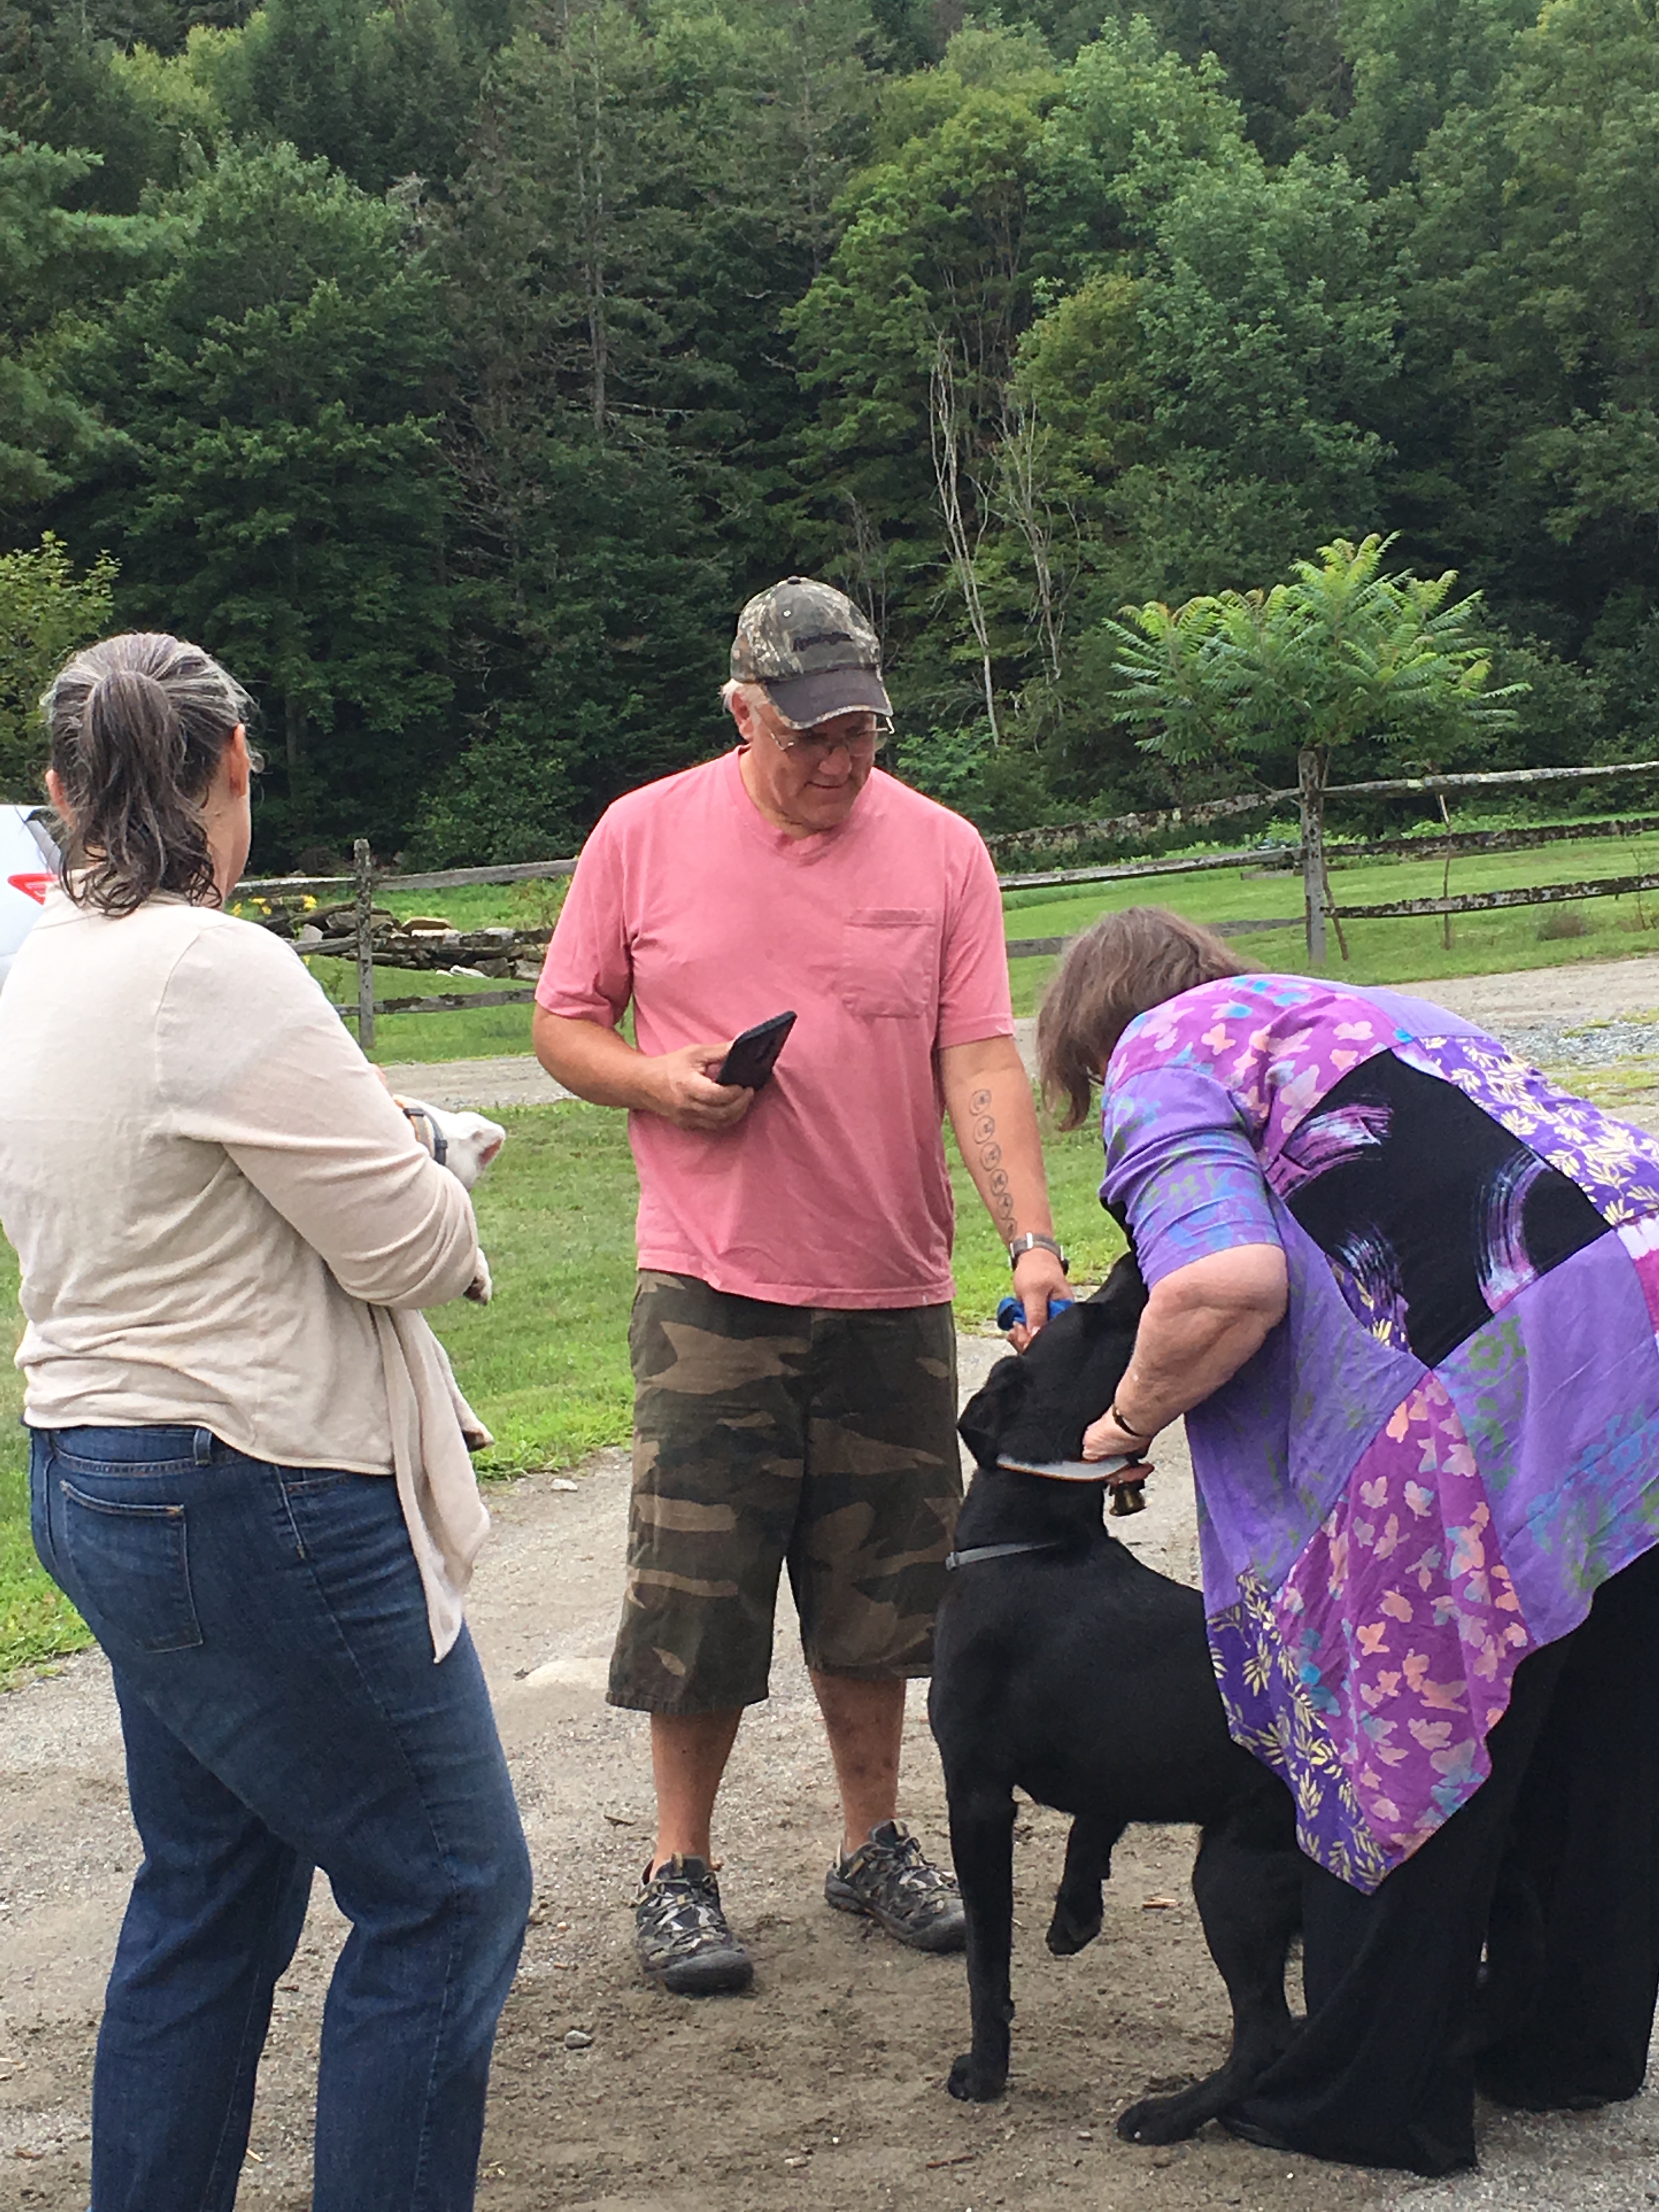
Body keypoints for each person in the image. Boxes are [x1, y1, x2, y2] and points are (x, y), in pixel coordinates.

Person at [0, 633, 532, 2212]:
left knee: (214, 1891)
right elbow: (412, 1250)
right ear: (235, 769)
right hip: (251, 1486)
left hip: (98, 1467)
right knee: (446, 1892)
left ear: (58, 794)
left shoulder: (45, 965)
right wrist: (440, 1146)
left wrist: (387, 1141)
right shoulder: (215, 964)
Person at [1035, 904, 1659, 2175]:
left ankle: (1376, 2098)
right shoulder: (1346, 1008)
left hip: (1477, 1390)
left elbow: (1224, 1286)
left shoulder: (1162, 1054)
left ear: (1093, 1038)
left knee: (1410, 1720)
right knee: (1599, 1719)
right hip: (1639, 1323)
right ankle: (1569, 2047)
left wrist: (1125, 1418)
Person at [533, 576, 1070, 1995]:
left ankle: (870, 1843)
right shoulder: (642, 835)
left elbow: (978, 1056)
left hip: (888, 1285)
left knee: (882, 1597)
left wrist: (1027, 1236)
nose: (838, 764)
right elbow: (563, 1022)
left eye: (862, 736)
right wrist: (657, 1080)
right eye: (809, 737)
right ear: (743, 712)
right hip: (711, 1286)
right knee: (696, 1595)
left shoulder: (944, 853)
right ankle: (679, 1869)